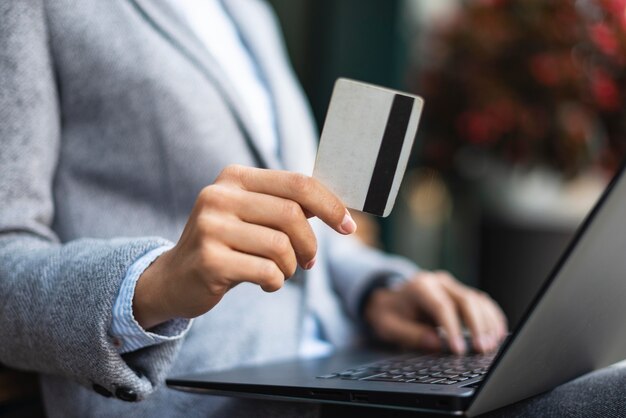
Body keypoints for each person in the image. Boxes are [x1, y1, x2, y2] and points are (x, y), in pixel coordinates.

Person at [0, 1, 510, 417]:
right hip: (194, 398)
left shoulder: (248, 13)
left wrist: (380, 289)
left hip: (341, 373)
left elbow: (294, 224)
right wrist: (154, 283)